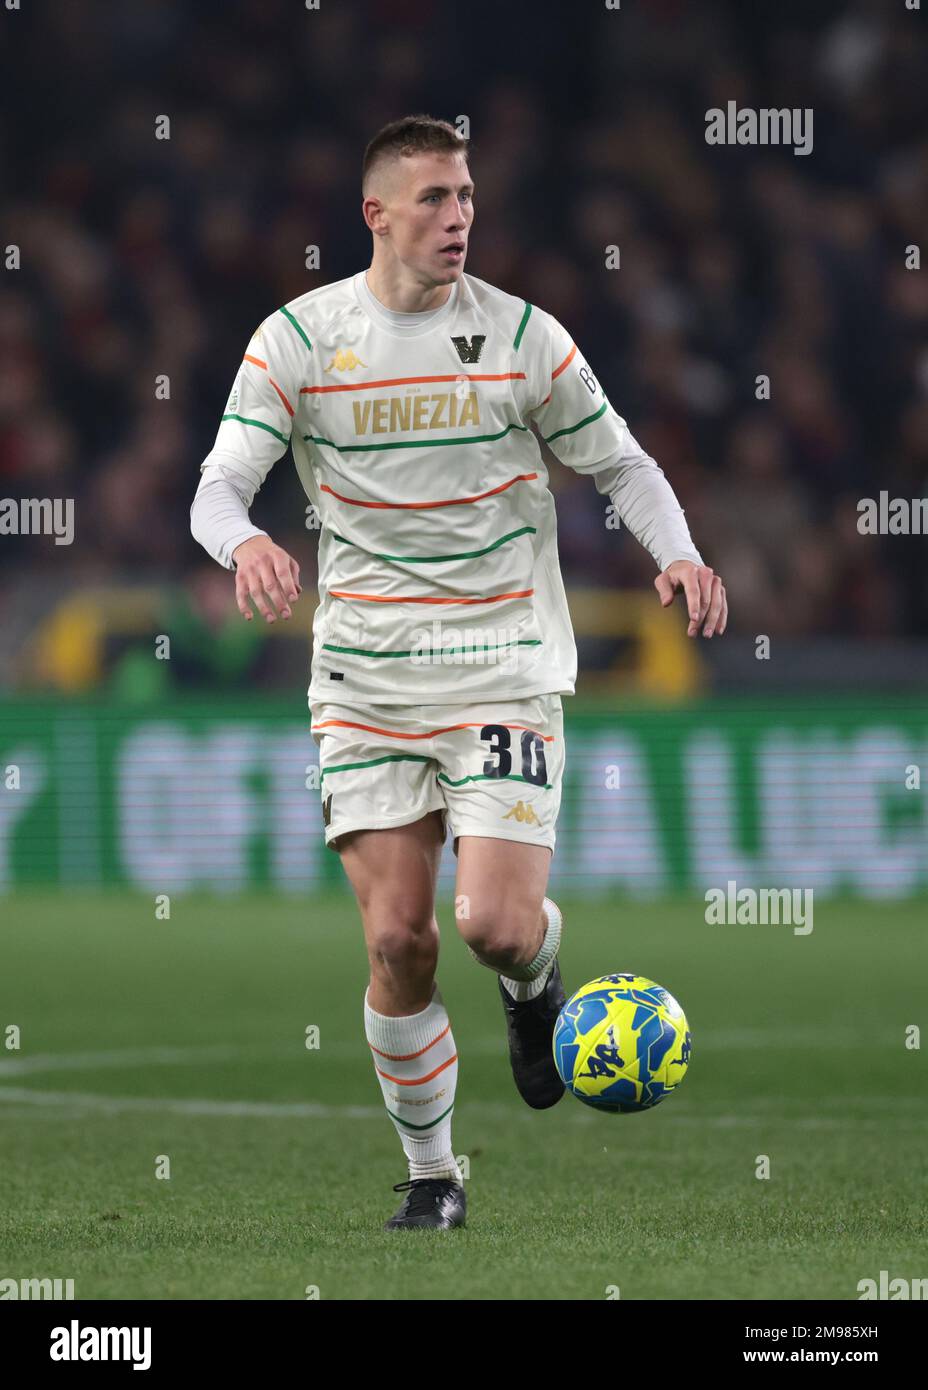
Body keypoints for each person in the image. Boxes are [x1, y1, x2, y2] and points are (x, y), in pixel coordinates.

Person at [190, 114, 726, 1231]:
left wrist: (675, 550)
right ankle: (435, 1178)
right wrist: (241, 540)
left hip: (500, 666)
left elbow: (621, 462)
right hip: (365, 681)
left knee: (489, 924)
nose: (459, 217)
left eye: (468, 195)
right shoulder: (298, 339)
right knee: (398, 939)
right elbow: (216, 486)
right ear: (376, 214)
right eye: (434, 198)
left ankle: (535, 987)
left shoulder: (526, 338)